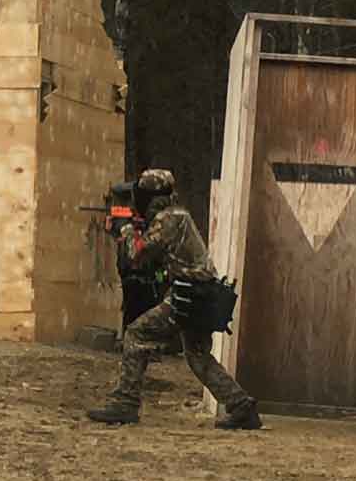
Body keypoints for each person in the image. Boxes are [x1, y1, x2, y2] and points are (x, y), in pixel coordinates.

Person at [87, 168, 261, 429]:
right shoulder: (176, 216)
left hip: (190, 293)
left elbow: (138, 253)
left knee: (136, 334)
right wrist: (133, 226)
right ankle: (241, 406)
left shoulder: (170, 219)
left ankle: (125, 402)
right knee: (198, 355)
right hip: (201, 294)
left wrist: (124, 230)